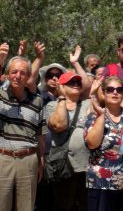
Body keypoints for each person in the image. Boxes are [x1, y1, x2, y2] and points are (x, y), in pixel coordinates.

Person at [84, 76, 123, 211]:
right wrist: (101, 115)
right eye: (110, 89)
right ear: (104, 92)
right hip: (101, 183)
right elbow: (92, 144)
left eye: (119, 90)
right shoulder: (94, 116)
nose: (115, 93)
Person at [0, 55, 45, 211]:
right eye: (14, 72)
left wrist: (41, 160)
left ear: (28, 76)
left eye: (23, 72)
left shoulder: (37, 101)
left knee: (27, 207)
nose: (18, 76)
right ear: (7, 74)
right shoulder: (1, 95)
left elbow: (39, 133)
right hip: (3, 158)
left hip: (29, 159)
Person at [46, 71, 91, 211]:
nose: (76, 85)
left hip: (85, 165)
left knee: (85, 205)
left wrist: (76, 63)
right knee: (63, 205)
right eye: (71, 82)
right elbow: (59, 125)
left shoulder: (87, 104)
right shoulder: (52, 105)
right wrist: (61, 98)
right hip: (62, 165)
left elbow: (89, 86)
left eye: (78, 82)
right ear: (62, 86)